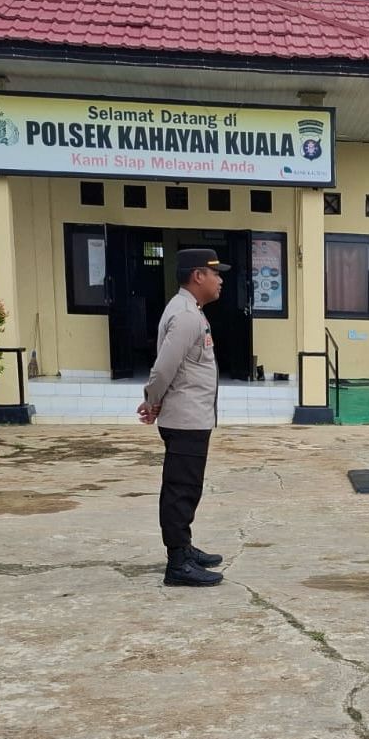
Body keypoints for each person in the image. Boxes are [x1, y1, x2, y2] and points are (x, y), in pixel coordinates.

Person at [137, 248, 232, 588]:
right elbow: (164, 367)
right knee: (180, 490)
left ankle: (185, 548)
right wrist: (152, 400)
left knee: (187, 488)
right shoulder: (186, 315)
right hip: (185, 419)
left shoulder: (189, 310)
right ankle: (177, 563)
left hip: (192, 417)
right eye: (215, 273)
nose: (220, 280)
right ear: (198, 275)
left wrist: (156, 400)